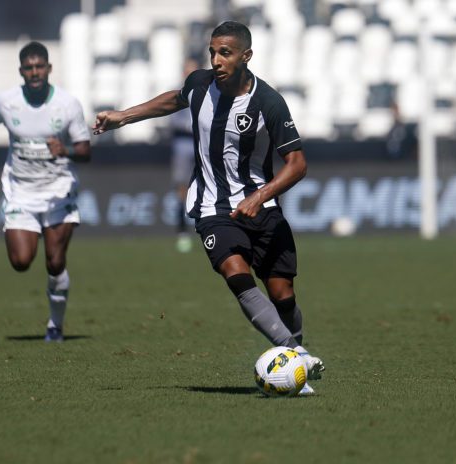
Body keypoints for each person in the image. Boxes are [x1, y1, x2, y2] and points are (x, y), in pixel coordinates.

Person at [94, 21, 325, 393]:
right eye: (212, 52)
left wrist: (260, 196)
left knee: (283, 294)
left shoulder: (268, 102)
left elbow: (297, 164)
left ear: (246, 56)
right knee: (236, 274)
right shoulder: (200, 84)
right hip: (212, 207)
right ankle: (295, 352)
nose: (216, 60)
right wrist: (124, 116)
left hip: (260, 206)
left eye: (225, 53)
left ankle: (296, 359)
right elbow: (173, 99)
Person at [0, 41, 91, 343]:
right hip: (21, 192)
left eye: (40, 66)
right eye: (29, 67)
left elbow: (84, 150)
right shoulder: (6, 102)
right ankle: (33, 235)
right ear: (21, 71)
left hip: (58, 190)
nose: (35, 72)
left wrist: (64, 150)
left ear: (49, 69)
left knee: (54, 262)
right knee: (21, 262)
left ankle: (55, 325)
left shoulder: (67, 104)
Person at [169, 58, 199, 253]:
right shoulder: (177, 92)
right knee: (182, 188)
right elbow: (173, 120)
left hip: (201, 142)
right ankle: (182, 232)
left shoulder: (206, 92)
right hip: (183, 142)